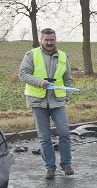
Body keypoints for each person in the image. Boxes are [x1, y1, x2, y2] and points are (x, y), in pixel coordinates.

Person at [18, 27, 74, 180]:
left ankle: (66, 164)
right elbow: (23, 74)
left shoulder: (62, 56)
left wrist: (66, 96)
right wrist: (39, 82)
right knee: (44, 137)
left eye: (52, 40)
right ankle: (50, 168)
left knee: (64, 132)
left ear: (55, 40)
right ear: (41, 40)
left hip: (57, 102)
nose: (49, 42)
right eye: (46, 40)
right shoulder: (31, 55)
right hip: (38, 102)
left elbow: (68, 79)